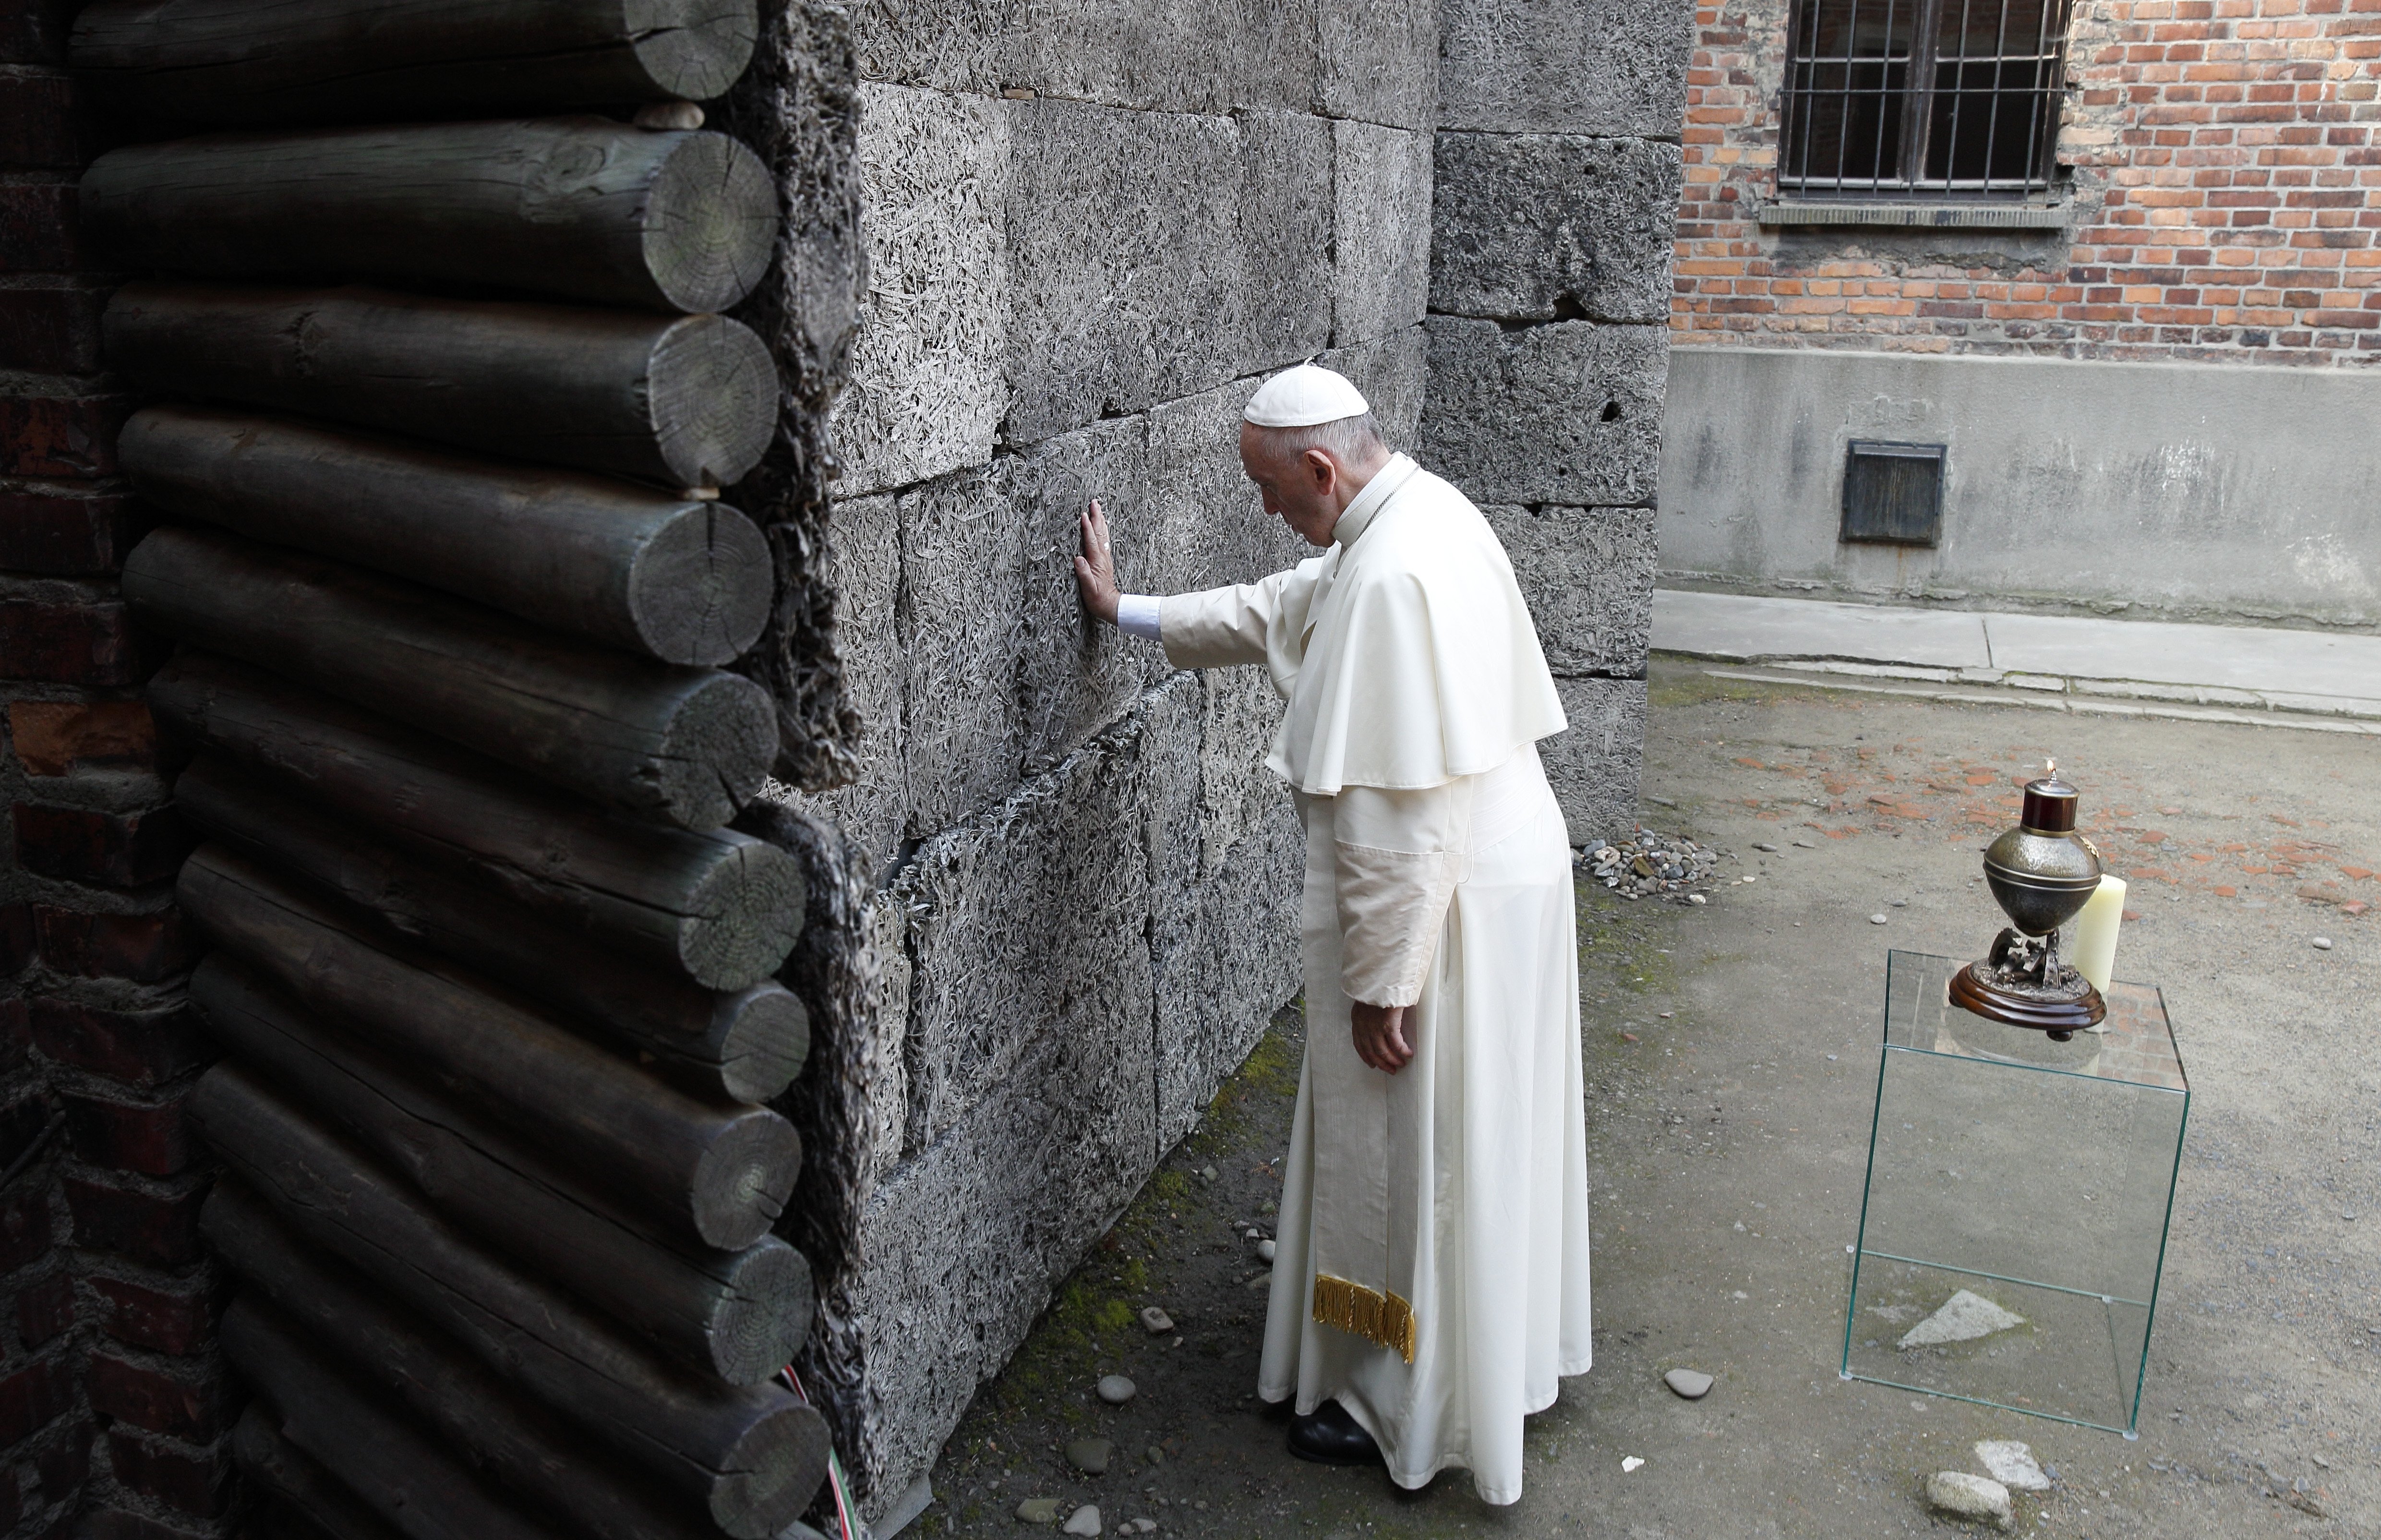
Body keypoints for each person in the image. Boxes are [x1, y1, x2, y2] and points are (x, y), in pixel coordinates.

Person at [1072, 363, 1593, 1505]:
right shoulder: (1413, 511)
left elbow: (1397, 820)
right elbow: (1282, 604)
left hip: (1443, 899)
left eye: (1269, 487)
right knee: (1484, 1125)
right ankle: (1489, 1357)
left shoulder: (1396, 571)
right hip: (1502, 872)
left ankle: (1400, 1405)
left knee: (1421, 1151)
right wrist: (1130, 611)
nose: (1266, 508)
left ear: (1318, 465)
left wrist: (1381, 982)